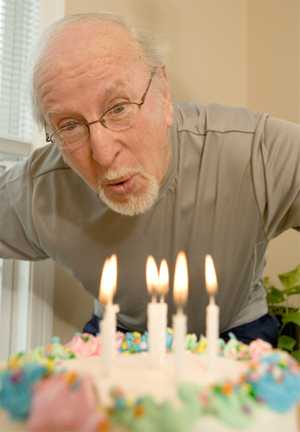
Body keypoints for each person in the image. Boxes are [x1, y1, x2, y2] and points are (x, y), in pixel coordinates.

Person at [1, 13, 299, 345]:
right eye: (69, 126)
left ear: (164, 94)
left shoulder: (252, 151)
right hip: (118, 335)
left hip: (236, 332)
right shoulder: (42, 188)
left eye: (118, 108)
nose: (102, 153)